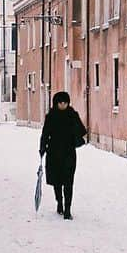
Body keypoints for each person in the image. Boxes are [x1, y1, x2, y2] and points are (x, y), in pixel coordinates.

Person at [39, 91, 87, 220]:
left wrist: (76, 136)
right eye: (60, 102)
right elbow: (45, 134)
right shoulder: (51, 116)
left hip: (68, 153)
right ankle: (59, 202)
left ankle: (67, 210)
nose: (63, 104)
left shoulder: (72, 115)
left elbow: (82, 131)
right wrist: (42, 147)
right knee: (56, 181)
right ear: (56, 103)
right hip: (53, 153)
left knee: (68, 181)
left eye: (65, 102)